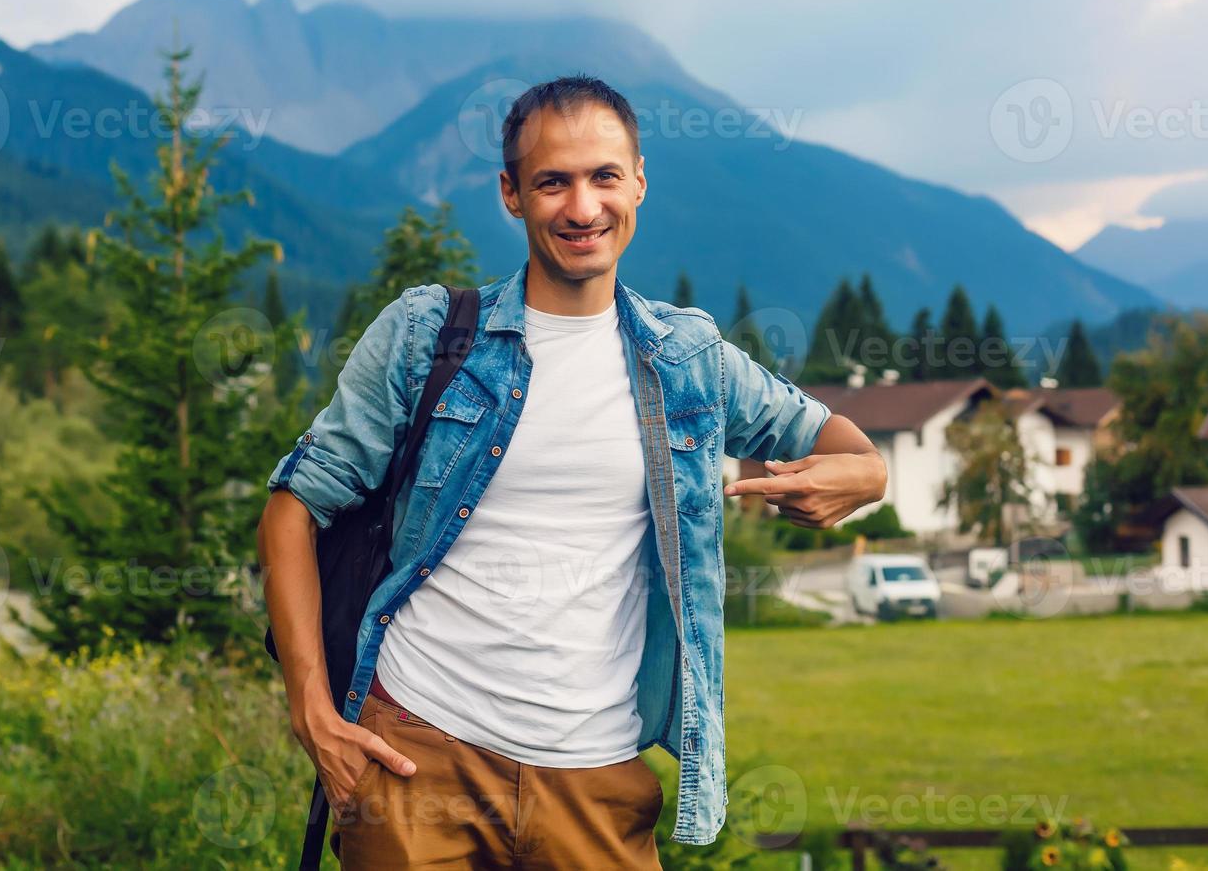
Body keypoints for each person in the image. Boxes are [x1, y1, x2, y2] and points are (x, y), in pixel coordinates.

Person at [257, 75, 888, 869]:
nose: (582, 208)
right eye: (553, 181)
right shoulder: (429, 335)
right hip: (420, 758)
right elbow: (293, 506)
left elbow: (852, 451)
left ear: (639, 184)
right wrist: (310, 709)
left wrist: (866, 480)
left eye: (604, 178)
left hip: (595, 776)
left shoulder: (688, 361)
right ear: (511, 194)